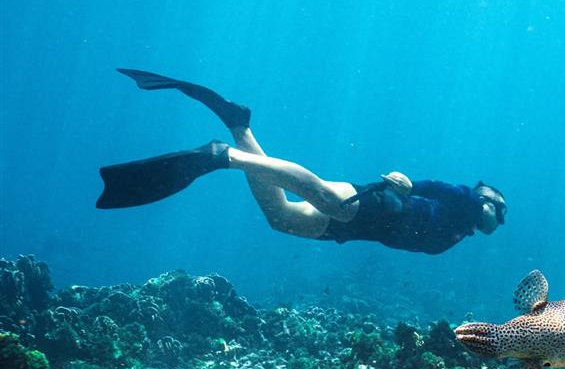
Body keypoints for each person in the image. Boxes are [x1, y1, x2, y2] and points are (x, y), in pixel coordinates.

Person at [97, 69, 507, 255]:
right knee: (325, 197)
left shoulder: (461, 227)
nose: (497, 221)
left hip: (366, 229)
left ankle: (239, 126)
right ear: (486, 201)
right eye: (498, 211)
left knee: (281, 217)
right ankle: (223, 157)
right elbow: (436, 187)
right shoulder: (467, 203)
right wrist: (409, 185)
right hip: (383, 207)